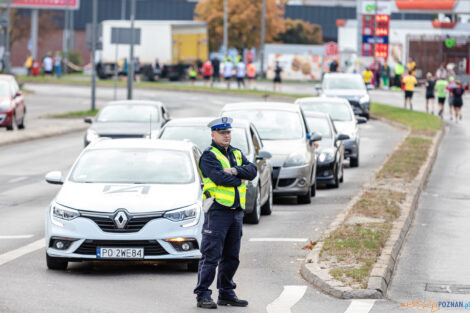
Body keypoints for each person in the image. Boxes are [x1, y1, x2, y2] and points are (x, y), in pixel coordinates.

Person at [194, 117, 257, 309]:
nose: (226, 136)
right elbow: (218, 178)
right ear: (213, 135)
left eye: (228, 132)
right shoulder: (208, 156)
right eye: (222, 133)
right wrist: (239, 178)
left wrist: (235, 171)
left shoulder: (237, 153)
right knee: (211, 255)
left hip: (236, 212)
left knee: (232, 256)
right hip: (218, 211)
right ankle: (203, 294)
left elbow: (252, 171)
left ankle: (226, 293)